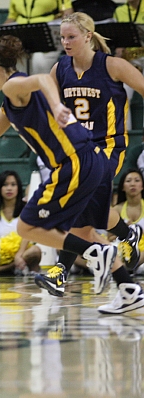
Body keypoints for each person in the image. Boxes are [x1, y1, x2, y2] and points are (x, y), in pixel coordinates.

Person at [0, 35, 144, 314]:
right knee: (81, 229)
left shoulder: (14, 84)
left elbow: (41, 80)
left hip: (74, 161)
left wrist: (58, 105)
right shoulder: (11, 99)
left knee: (27, 226)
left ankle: (96, 252)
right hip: (85, 161)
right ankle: (128, 289)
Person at [43, 12, 144, 292]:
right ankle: (127, 234)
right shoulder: (59, 69)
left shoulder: (113, 65)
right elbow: (46, 105)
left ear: (88, 36)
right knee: (86, 212)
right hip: (77, 149)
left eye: (71, 37)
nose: (65, 42)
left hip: (108, 146)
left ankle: (61, 270)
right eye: (62, 37)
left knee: (80, 203)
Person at [4, 0, 73, 74]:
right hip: (22, 36)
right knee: (18, 64)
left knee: (39, 62)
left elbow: (67, 10)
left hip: (47, 36)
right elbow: (12, 16)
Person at [113, 0, 144, 130]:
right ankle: (124, 134)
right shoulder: (119, 11)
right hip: (131, 59)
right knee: (122, 94)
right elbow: (117, 37)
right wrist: (119, 48)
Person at [112, 168, 144, 274]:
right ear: (122, 187)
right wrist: (123, 230)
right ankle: (125, 267)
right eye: (128, 181)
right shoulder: (116, 209)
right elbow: (110, 237)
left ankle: (127, 267)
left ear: (142, 186)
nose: (133, 184)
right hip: (122, 248)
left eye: (137, 180)